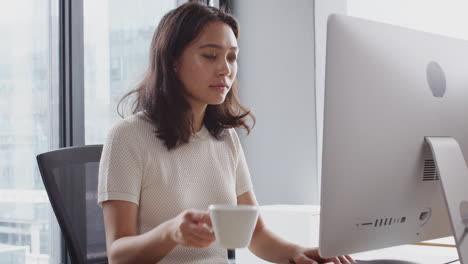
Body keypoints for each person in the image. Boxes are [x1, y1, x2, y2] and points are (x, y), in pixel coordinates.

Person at [98, 2, 354, 264]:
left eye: (232, 57)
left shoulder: (224, 137)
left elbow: (256, 233)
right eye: (210, 56)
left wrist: (298, 253)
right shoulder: (127, 136)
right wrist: (171, 233)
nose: (225, 69)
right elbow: (118, 255)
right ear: (173, 61)